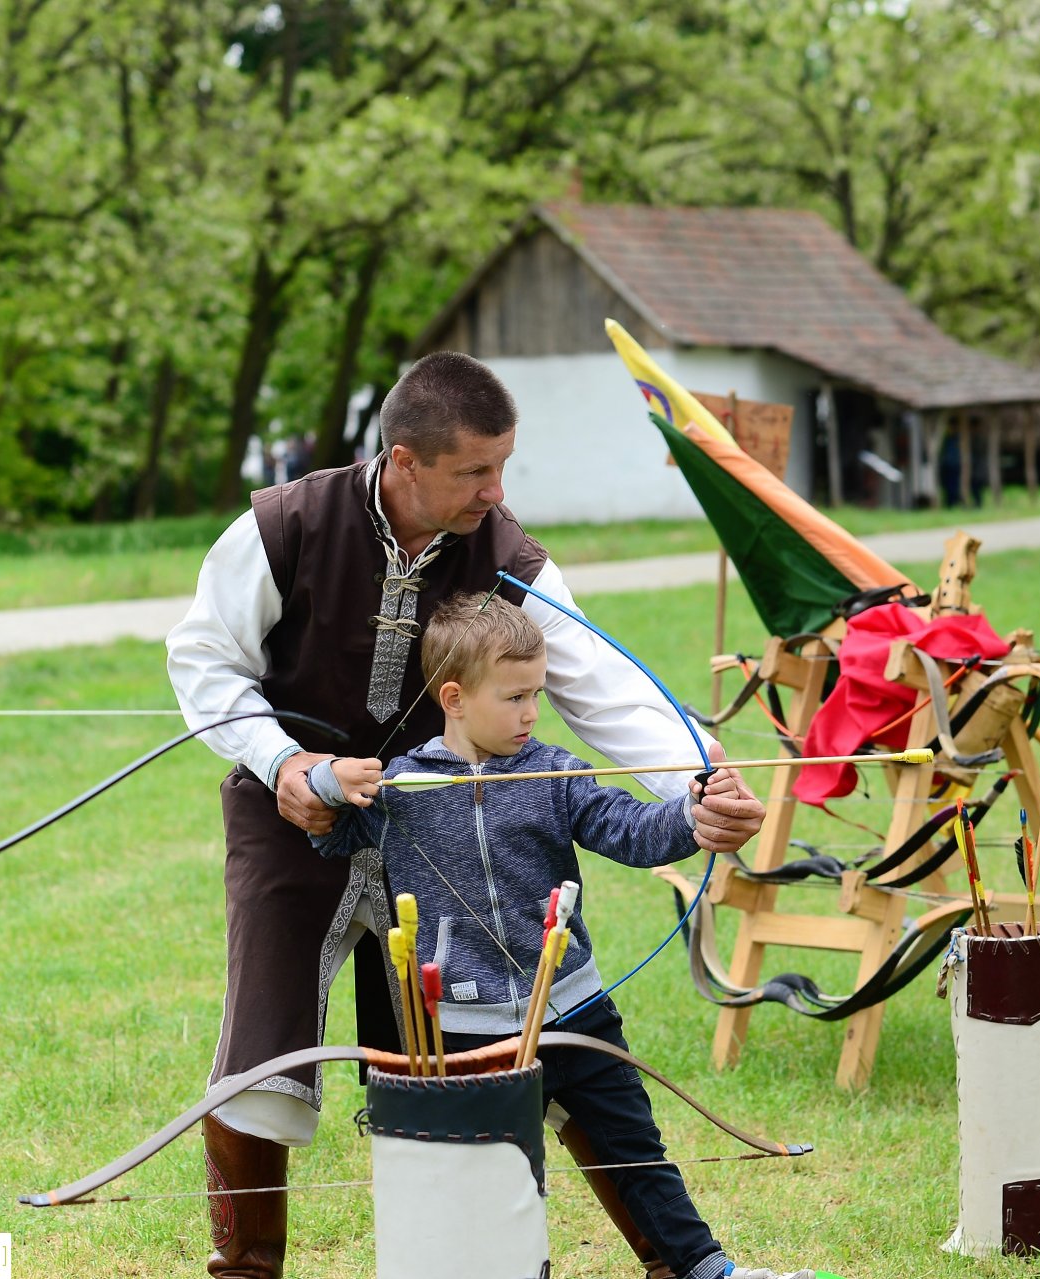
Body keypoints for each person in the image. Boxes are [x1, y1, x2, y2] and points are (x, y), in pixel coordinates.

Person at [165, 351, 767, 1278]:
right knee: (262, 1052)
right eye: (475, 471)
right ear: (405, 462)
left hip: (452, 823)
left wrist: (700, 781)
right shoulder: (284, 525)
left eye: (504, 464)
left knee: (499, 1048)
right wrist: (285, 763)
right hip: (297, 816)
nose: (497, 490)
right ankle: (246, 1272)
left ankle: (662, 1261)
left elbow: (600, 683)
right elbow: (205, 661)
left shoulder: (509, 555)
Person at [311, 594, 813, 1279]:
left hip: (576, 1009)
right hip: (466, 1028)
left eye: (537, 695)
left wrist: (694, 812)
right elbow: (327, 830)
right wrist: (327, 780)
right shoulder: (400, 789)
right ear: (454, 698)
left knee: (635, 1150)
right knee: (491, 1177)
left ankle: (704, 1269)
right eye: (514, 697)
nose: (531, 713)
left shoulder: (554, 773)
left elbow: (633, 831)